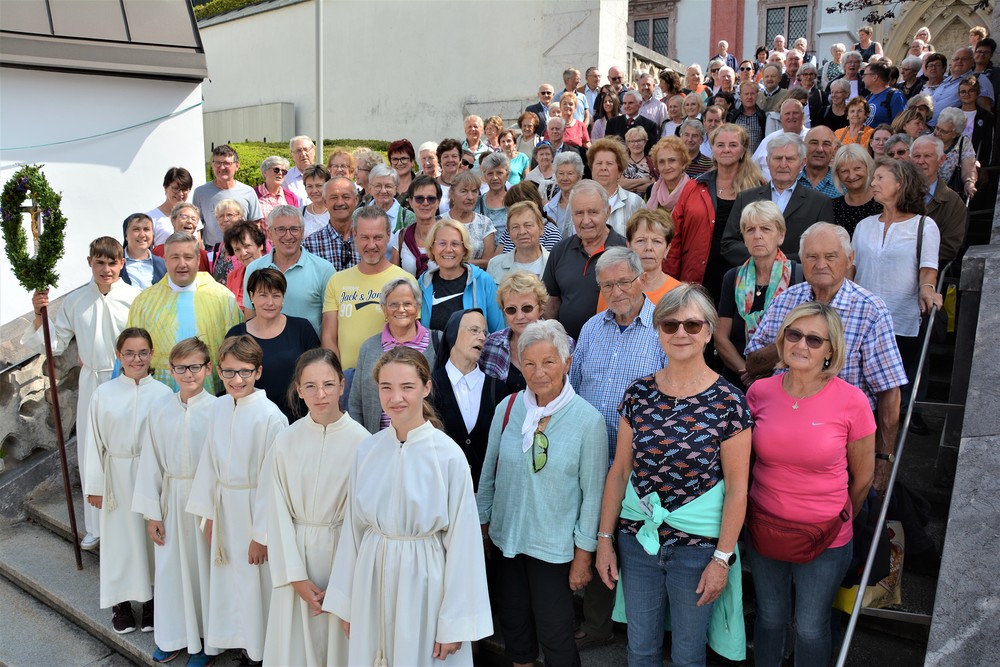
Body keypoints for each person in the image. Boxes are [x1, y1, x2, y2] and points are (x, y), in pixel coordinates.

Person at [594, 284, 751, 667]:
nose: (681, 333)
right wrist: (604, 540)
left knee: (688, 655)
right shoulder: (638, 394)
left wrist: (722, 559)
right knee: (640, 650)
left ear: (709, 332)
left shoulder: (730, 402)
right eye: (670, 324)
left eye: (692, 325)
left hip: (699, 549)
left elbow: (737, 489)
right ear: (658, 330)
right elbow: (620, 471)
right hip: (638, 543)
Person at [325, 346, 493, 664]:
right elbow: (353, 532)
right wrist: (347, 604)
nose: (396, 398)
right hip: (372, 581)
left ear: (426, 387)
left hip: (424, 586)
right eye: (386, 387)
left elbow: (464, 544)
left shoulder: (448, 456)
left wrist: (454, 623)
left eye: (407, 387)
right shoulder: (367, 451)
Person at [745, 302, 875, 667]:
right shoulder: (759, 393)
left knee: (811, 627)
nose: (801, 345)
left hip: (826, 536)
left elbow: (863, 477)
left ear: (831, 350)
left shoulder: (853, 401)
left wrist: (840, 517)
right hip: (764, 528)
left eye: (814, 340)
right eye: (794, 334)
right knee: (770, 617)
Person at [477, 319, 607, 667]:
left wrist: (584, 556)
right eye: (530, 363)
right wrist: (482, 525)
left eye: (548, 362)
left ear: (567, 363)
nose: (538, 373)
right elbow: (488, 473)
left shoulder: (588, 420)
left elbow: (593, 496)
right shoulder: (507, 408)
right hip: (506, 541)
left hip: (554, 550)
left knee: (557, 637)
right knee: (516, 634)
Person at [745, 222, 907, 493]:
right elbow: (752, 364)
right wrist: (791, 340)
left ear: (849, 259)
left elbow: (889, 391)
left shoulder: (870, 310)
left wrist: (883, 460)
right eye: (812, 256)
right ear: (802, 261)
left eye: (831, 256)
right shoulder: (787, 300)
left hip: (840, 443)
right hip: (778, 431)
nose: (821, 264)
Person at [569, 247, 671, 651]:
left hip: (641, 461)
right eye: (607, 285)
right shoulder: (591, 328)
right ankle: (597, 624)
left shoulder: (663, 328)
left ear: (641, 278)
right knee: (598, 533)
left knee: (634, 544)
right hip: (592, 457)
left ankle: (645, 630)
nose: (616, 291)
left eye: (623, 282)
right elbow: (574, 388)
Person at [22, 237, 141, 550]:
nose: (106, 269)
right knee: (91, 451)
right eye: (99, 262)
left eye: (112, 262)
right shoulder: (75, 301)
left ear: (122, 264)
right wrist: (39, 314)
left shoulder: (135, 299)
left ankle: (129, 521)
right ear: (90, 262)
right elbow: (55, 342)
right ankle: (95, 526)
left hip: (126, 382)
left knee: (127, 450)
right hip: (91, 381)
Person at [262, 348, 369, 667]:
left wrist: (343, 584)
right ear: (298, 389)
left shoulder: (363, 443)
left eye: (328, 384)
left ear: (342, 385)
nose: (320, 394)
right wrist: (295, 577)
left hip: (341, 560)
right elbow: (275, 510)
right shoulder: (285, 440)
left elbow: (363, 520)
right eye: (310, 386)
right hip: (295, 558)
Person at [185, 336, 287, 665]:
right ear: (218, 371)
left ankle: (258, 651)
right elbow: (208, 462)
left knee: (255, 582)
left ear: (258, 371)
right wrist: (208, 515)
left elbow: (273, 481)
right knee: (230, 581)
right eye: (228, 372)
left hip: (253, 509)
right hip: (224, 507)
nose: (237, 380)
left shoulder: (270, 417)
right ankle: (237, 640)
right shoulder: (218, 407)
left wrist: (262, 535)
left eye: (244, 372)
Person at [133, 337, 219, 665]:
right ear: (171, 370)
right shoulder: (160, 410)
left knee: (203, 572)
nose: (188, 374)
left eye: (195, 367)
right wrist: (152, 514)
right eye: (181, 368)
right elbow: (150, 462)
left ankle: (207, 642)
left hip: (205, 502)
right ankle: (172, 636)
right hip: (171, 499)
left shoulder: (218, 410)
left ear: (208, 368)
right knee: (171, 572)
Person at [84, 327, 173, 634]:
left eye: (143, 353)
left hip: (151, 475)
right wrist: (95, 486)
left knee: (150, 541)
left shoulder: (163, 394)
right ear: (119, 356)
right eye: (130, 353)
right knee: (120, 541)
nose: (137, 359)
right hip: (117, 476)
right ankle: (120, 603)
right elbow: (94, 442)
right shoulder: (104, 394)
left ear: (152, 355)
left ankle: (150, 601)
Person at [852, 160, 942, 410]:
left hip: (901, 320)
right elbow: (851, 270)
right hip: (862, 319)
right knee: (862, 387)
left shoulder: (924, 225)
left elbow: (928, 270)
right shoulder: (864, 225)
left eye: (880, 178)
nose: (872, 183)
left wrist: (927, 289)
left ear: (900, 183)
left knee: (893, 390)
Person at [128, 232, 243, 392]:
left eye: (188, 257)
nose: (182, 264)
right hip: (160, 395)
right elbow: (131, 350)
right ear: (165, 260)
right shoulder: (145, 302)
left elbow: (237, 348)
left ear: (198, 260)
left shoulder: (223, 298)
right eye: (175, 257)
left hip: (211, 396)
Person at [673, 123, 766, 299]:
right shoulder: (694, 186)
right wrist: (671, 277)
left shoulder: (759, 188)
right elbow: (675, 234)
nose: (726, 150)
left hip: (743, 274)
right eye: (720, 145)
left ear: (743, 150)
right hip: (698, 273)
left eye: (733, 145)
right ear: (713, 149)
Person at [716, 201, 803, 388]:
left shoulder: (799, 276)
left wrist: (763, 371)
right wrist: (747, 372)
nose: (757, 236)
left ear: (781, 236)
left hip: (784, 379)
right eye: (750, 230)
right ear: (744, 239)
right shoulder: (732, 278)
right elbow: (721, 338)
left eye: (765, 229)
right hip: (739, 379)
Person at [320, 206, 411, 381]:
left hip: (389, 380)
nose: (371, 245)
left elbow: (411, 337)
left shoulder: (405, 281)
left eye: (378, 237)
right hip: (346, 379)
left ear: (388, 236)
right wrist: (338, 377)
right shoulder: (337, 281)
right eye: (364, 237)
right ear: (354, 235)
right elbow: (329, 337)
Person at [720, 133, 836, 264]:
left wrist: (778, 262)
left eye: (790, 159)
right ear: (768, 161)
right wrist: (760, 259)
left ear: (802, 163)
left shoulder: (819, 203)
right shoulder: (745, 198)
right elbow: (729, 243)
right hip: (752, 273)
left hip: (797, 274)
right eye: (778, 158)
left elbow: (824, 246)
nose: (783, 164)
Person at [431, 309, 511, 488]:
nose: (482, 338)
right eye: (474, 330)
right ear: (452, 334)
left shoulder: (498, 390)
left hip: (485, 496)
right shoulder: (429, 387)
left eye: (484, 333)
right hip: (440, 493)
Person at [226, 267, 319, 419]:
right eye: (263, 295)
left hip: (297, 419)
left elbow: (316, 373)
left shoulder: (302, 329)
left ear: (283, 298)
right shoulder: (236, 334)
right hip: (252, 419)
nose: (270, 303)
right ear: (251, 296)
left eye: (276, 296)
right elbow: (229, 378)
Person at [350, 277, 439, 433]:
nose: (401, 309)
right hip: (378, 440)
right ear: (384, 309)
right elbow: (356, 402)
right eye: (394, 304)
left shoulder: (437, 343)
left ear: (418, 307)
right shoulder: (369, 347)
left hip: (424, 440)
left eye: (407, 304)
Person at [542, 180, 629, 339]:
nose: (586, 220)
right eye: (579, 213)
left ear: (608, 212)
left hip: (615, 346)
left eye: (593, 212)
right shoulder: (559, 252)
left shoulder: (626, 251)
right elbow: (551, 304)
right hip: (568, 347)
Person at [245, 205, 336, 335]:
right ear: (270, 233)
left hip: (309, 347)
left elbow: (331, 329)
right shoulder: (254, 269)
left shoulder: (324, 270)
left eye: (294, 229)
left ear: (302, 232)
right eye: (281, 229)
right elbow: (249, 319)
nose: (288, 236)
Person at [480, 271, 561, 394]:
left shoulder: (562, 344)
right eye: (511, 310)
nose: (519, 316)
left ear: (540, 308)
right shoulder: (491, 345)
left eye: (527, 308)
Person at [418, 218, 504, 332]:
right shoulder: (424, 282)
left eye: (455, 244)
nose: (448, 249)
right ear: (432, 248)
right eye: (442, 243)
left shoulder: (483, 281)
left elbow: (498, 333)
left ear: (464, 249)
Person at [910, 135, 969, 265]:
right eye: (916, 156)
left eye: (927, 156)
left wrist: (909, 258)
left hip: (926, 268)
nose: (921, 161)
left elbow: (949, 248)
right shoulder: (897, 193)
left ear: (941, 160)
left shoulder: (953, 202)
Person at [192, 145, 263, 247]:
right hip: (212, 249)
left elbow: (255, 225)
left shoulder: (248, 192)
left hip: (241, 249)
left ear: (237, 166)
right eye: (217, 163)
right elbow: (197, 225)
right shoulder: (201, 193)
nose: (221, 167)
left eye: (226, 163)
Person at [588, 138, 644, 237]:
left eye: (609, 163)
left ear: (619, 171)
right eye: (599, 163)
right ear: (592, 169)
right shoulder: (577, 201)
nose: (603, 168)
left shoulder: (635, 203)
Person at [487, 201, 551, 283]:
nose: (522, 232)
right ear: (509, 233)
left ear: (541, 228)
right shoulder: (495, 265)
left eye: (528, 225)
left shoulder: (555, 264)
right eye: (515, 227)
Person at [392, 175, 442, 277]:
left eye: (431, 199)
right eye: (419, 198)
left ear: (438, 202)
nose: (425, 203)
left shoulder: (448, 236)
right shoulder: (401, 236)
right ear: (410, 202)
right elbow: (394, 278)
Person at [447, 170, 497, 267]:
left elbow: (488, 261)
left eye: (474, 191)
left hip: (476, 275)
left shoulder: (485, 223)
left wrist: (459, 263)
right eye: (464, 191)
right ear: (452, 194)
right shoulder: (440, 222)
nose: (470, 197)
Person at [831, 144, 882, 237]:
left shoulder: (882, 203)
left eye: (857, 168)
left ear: (868, 167)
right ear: (838, 175)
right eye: (845, 171)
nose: (852, 176)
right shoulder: (833, 207)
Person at [222, 219, 267, 316]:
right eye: (237, 249)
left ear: (260, 245)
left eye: (247, 246)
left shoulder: (274, 272)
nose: (243, 253)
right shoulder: (232, 276)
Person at [934, 107, 979, 199]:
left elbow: (969, 168)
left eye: (944, 131)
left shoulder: (964, 142)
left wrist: (969, 182)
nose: (938, 133)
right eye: (937, 128)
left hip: (950, 195)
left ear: (956, 134)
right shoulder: (927, 140)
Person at [151, 203, 211, 272]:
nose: (189, 221)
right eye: (184, 217)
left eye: (193, 219)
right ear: (173, 220)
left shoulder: (204, 256)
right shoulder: (158, 251)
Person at [956, 75, 994, 183]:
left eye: (971, 91)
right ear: (959, 94)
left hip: (974, 164)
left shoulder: (986, 117)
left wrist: (984, 168)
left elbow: (988, 144)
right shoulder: (952, 113)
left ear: (977, 93)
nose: (967, 94)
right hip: (952, 162)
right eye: (963, 92)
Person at [148, 167, 194, 246]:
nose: (180, 194)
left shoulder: (193, 216)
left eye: (184, 189)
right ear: (165, 188)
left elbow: (199, 248)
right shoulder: (151, 218)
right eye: (175, 188)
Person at [120, 212, 166, 290]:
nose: (142, 235)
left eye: (146, 229)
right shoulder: (113, 263)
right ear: (126, 235)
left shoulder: (163, 265)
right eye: (136, 229)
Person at [544, 151, 585, 238]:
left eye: (570, 173)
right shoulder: (548, 208)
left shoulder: (587, 205)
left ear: (579, 177)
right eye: (561, 173)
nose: (565, 178)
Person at [367, 163, 414, 237]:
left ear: (395, 189)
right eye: (378, 186)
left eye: (388, 186)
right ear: (370, 189)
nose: (383, 191)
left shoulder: (408, 218)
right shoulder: (358, 214)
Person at [207, 198, 245, 285]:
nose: (225, 219)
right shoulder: (217, 248)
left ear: (240, 217)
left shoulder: (252, 243)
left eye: (229, 215)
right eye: (221, 216)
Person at [478, 152, 512, 245]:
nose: (495, 178)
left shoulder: (515, 202)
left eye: (499, 173)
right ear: (484, 176)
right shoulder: (477, 203)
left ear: (507, 175)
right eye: (490, 174)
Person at [798, 126, 841, 198]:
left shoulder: (843, 188)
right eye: (814, 143)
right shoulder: (791, 182)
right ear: (804, 146)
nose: (819, 149)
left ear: (834, 150)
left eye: (826, 144)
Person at [254, 155, 299, 222]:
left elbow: (296, 221)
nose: (280, 173)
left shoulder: (291, 197)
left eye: (284, 171)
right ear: (265, 172)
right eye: (276, 170)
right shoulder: (253, 194)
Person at [863, 61, 906, 127]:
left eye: (865, 75)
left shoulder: (895, 96)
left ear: (875, 77)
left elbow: (900, 124)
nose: (862, 77)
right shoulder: (868, 97)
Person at [730, 82, 768, 153]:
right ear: (740, 96)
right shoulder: (732, 115)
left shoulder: (763, 116)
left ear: (757, 95)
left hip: (756, 158)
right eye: (746, 94)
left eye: (752, 94)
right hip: (737, 157)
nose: (749, 97)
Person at [620, 126, 655, 195]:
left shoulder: (652, 163)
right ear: (627, 144)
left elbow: (653, 186)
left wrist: (630, 186)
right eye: (632, 141)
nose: (636, 144)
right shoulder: (622, 163)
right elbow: (620, 184)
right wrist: (644, 180)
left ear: (645, 142)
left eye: (639, 140)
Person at [301, 164, 332, 238]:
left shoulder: (336, 212)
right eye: (310, 186)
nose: (314, 190)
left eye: (319, 186)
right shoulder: (300, 213)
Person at [284, 136, 315, 204]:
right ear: (292, 154)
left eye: (306, 149)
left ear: (313, 150)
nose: (303, 154)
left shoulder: (325, 175)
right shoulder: (286, 179)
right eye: (298, 150)